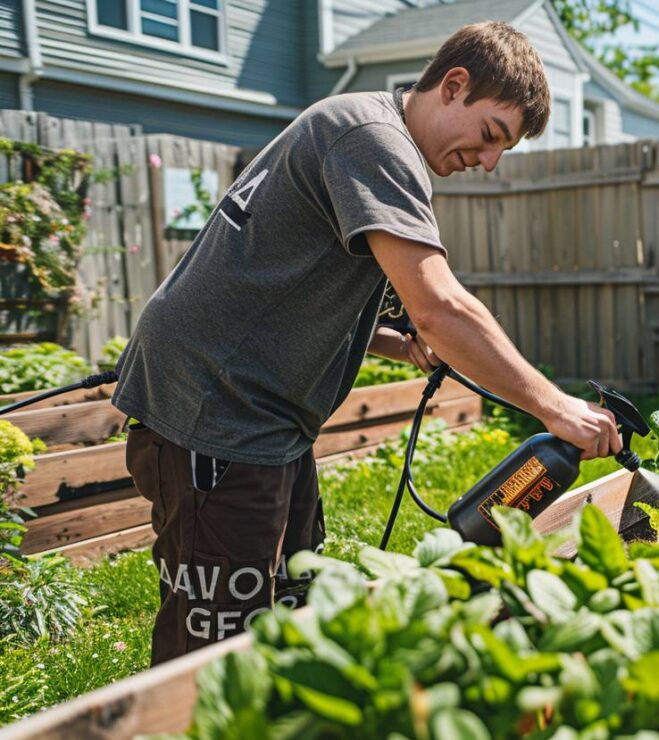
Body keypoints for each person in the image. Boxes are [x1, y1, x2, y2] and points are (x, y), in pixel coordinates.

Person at [113, 22, 621, 665]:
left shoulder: (375, 138)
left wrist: (395, 344)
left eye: (504, 151)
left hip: (266, 416)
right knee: (216, 640)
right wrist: (555, 407)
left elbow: (299, 286)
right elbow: (439, 307)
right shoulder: (372, 138)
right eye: (492, 134)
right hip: (213, 410)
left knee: (296, 596)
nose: (490, 162)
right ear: (454, 85)